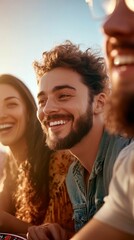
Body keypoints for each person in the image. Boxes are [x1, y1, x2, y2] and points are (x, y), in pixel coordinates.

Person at [27, 40, 132, 239]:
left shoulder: (125, 155)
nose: (47, 109)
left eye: (64, 95)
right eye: (42, 101)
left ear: (99, 103)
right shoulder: (74, 179)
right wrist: (61, 234)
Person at [70, 0, 134, 239]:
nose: (110, 24)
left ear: (99, 102)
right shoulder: (131, 167)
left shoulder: (121, 154)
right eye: (107, 3)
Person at [0, 74, 75, 237]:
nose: (1, 114)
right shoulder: (11, 165)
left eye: (11, 104)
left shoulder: (58, 157)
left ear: (28, 112)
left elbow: (57, 234)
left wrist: (6, 222)